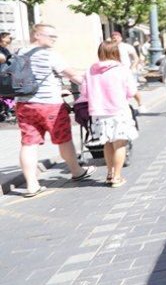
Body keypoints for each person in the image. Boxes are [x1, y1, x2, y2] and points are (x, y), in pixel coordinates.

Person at [15, 24, 93, 197]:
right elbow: (72, 75)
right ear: (37, 35)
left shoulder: (19, 53)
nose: (54, 39)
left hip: (24, 105)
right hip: (50, 105)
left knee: (28, 143)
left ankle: (32, 185)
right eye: (50, 36)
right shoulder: (49, 55)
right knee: (63, 139)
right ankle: (76, 171)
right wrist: (92, 87)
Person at [81, 41, 141, 187]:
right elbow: (132, 91)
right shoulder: (122, 69)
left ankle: (109, 174)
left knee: (107, 143)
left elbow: (84, 93)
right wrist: (138, 101)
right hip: (118, 110)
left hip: (98, 113)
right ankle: (117, 177)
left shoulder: (90, 70)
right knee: (120, 144)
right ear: (116, 52)